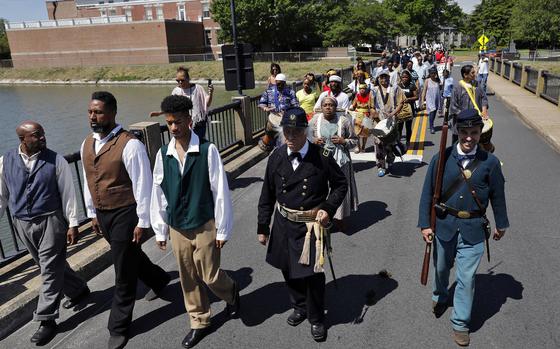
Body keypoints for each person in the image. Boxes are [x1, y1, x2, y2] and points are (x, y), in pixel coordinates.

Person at [82, 91, 171, 349]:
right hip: (103, 213)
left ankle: (119, 326)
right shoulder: (87, 143)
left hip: (125, 213)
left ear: (112, 113)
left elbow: (143, 185)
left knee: (122, 270)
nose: (92, 116)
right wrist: (91, 213)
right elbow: (89, 180)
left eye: (98, 112)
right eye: (90, 111)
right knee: (130, 256)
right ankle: (158, 279)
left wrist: (143, 221)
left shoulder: (130, 144)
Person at [150, 95, 239, 349]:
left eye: (178, 122)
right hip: (178, 225)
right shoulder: (163, 154)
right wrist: (160, 229)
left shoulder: (208, 150)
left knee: (209, 275)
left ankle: (231, 290)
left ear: (189, 120)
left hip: (204, 222)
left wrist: (222, 228)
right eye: (169, 123)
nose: (174, 128)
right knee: (188, 276)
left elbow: (219, 190)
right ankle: (199, 321)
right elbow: (158, 191)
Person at [418, 109, 509, 347]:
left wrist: (501, 224)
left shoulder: (490, 163)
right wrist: (425, 224)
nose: (469, 138)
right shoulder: (442, 157)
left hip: (474, 228)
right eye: (465, 132)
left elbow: (498, 195)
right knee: (441, 268)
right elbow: (428, 193)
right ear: (457, 131)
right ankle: (440, 295)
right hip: (445, 224)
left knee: (466, 278)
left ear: (481, 134)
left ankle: (460, 323)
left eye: (475, 133)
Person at [257, 107, 347, 343]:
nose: (290, 138)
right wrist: (262, 226)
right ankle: (299, 306)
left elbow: (340, 185)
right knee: (288, 268)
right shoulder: (276, 157)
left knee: (312, 275)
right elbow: (267, 193)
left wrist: (327, 209)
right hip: (284, 223)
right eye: (286, 132)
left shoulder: (322, 157)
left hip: (310, 227)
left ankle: (317, 318)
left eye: (295, 133)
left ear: (305, 132)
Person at [0, 121, 89, 345]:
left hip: (51, 219)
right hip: (22, 222)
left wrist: (73, 223)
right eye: (37, 135)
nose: (42, 138)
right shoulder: (5, 162)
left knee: (49, 268)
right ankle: (78, 290)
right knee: (46, 264)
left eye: (43, 134)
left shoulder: (56, 160)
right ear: (23, 139)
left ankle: (46, 319)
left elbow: (68, 193)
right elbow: (1, 196)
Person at [309, 97, 358, 232]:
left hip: (340, 161)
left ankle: (339, 218)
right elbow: (306, 137)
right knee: (320, 189)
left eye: (331, 105)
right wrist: (314, 141)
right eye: (325, 105)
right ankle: (322, 217)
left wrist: (344, 141)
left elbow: (355, 140)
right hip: (320, 161)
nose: (328, 107)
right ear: (322, 107)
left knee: (339, 188)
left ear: (336, 107)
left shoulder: (344, 121)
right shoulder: (315, 121)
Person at [372, 69, 406, 177]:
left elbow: (401, 103)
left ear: (389, 77)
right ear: (378, 79)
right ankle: (381, 166)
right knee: (379, 144)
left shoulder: (395, 88)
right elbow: (371, 106)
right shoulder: (374, 90)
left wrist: (393, 114)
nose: (383, 79)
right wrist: (374, 114)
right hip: (378, 121)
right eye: (381, 77)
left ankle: (390, 159)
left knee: (391, 142)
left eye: (385, 77)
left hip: (391, 120)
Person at [258, 73, 299, 151]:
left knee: (284, 144)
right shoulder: (269, 91)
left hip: (286, 120)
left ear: (285, 83)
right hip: (274, 118)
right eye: (278, 84)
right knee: (274, 143)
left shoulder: (290, 92)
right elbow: (261, 103)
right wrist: (265, 108)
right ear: (275, 82)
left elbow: (296, 106)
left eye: (281, 84)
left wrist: (289, 112)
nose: (279, 86)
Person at [171, 67, 214, 139]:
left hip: (198, 124)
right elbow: (171, 108)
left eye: (182, 80)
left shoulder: (198, 88)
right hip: (183, 125)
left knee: (198, 144)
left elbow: (207, 104)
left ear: (188, 78)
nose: (180, 82)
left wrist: (211, 93)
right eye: (178, 81)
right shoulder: (175, 91)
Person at [450, 64, 489, 144]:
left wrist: (484, 109)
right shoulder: (457, 88)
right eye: (472, 73)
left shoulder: (476, 84)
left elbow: (483, 98)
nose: (475, 74)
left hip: (475, 122)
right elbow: (453, 108)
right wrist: (466, 117)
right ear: (465, 75)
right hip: (461, 124)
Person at [350, 83, 376, 153]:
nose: (362, 90)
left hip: (366, 115)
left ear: (366, 89)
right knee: (357, 132)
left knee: (365, 132)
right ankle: (358, 146)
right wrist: (351, 108)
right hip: (358, 115)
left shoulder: (370, 97)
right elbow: (353, 105)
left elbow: (372, 107)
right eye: (360, 89)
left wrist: (373, 115)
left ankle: (363, 146)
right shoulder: (357, 96)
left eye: (363, 89)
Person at [397, 70, 418, 147]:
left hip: (410, 108)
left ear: (409, 77)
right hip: (400, 109)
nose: (404, 78)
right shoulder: (398, 86)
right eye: (403, 77)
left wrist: (409, 99)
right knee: (399, 127)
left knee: (408, 127)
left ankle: (408, 141)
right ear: (401, 78)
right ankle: (398, 142)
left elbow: (416, 97)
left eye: (406, 77)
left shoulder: (412, 86)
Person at [421, 67, 442, 134]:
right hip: (430, 99)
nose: (433, 74)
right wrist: (422, 100)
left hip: (436, 99)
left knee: (434, 112)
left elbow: (440, 89)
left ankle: (431, 123)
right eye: (431, 73)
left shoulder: (437, 80)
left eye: (434, 73)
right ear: (429, 73)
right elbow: (424, 90)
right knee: (432, 111)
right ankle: (431, 126)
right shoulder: (427, 80)